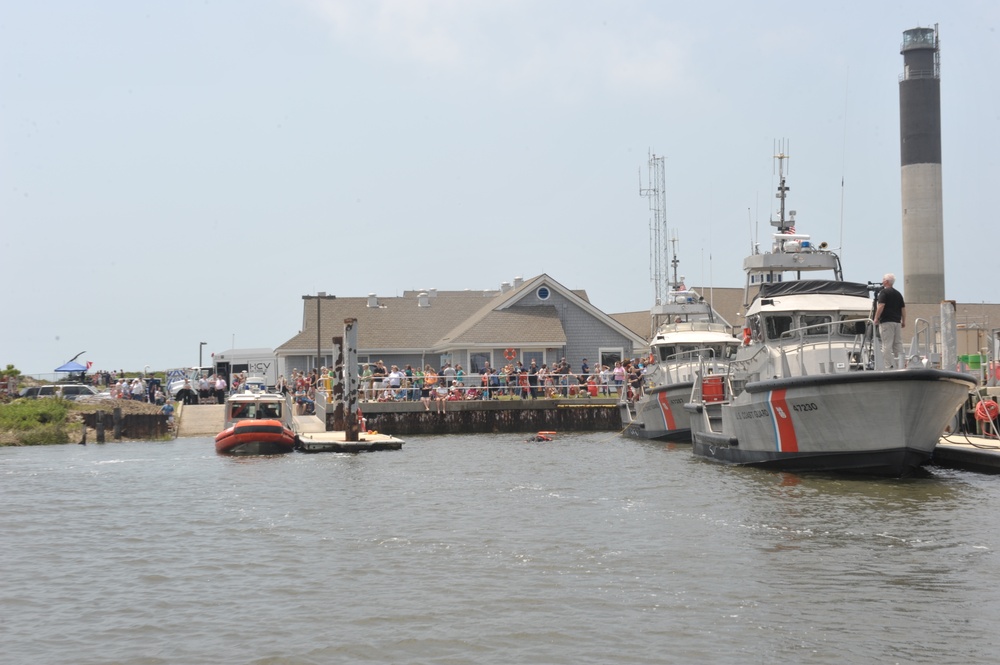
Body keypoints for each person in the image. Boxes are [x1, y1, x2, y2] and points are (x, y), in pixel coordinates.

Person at [873, 273, 906, 369]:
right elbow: (903, 309)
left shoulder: (883, 292)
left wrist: (876, 318)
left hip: (887, 322)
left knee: (886, 344)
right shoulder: (898, 293)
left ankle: (887, 365)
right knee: (898, 344)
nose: (882, 281)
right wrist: (904, 321)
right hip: (897, 322)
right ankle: (900, 365)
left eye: (883, 279)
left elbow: (881, 305)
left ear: (886, 282)